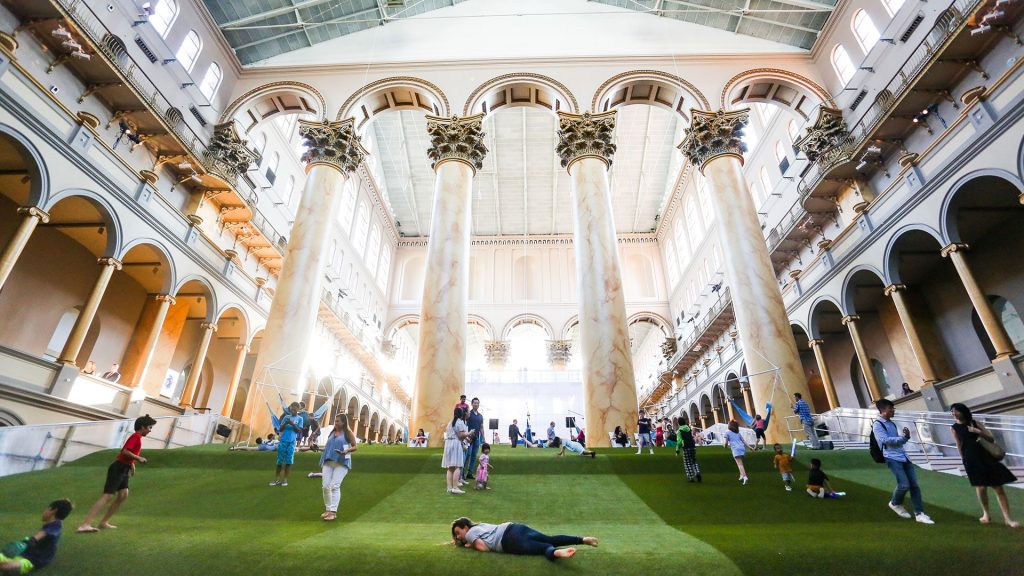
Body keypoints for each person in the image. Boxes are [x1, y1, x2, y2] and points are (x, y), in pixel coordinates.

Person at [77, 414, 156, 533]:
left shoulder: (138, 438)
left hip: (124, 468)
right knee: (107, 496)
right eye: (149, 427)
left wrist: (132, 464)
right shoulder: (135, 436)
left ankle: (104, 522)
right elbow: (124, 451)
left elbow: (128, 454)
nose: (150, 430)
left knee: (123, 494)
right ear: (142, 427)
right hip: (118, 468)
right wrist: (138, 458)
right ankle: (84, 524)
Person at [950, 403, 1019, 528]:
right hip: (971, 459)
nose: (954, 414)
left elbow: (991, 438)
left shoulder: (974, 423)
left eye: (956, 411)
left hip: (986, 456)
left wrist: (977, 431)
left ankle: (1007, 519)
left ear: (963, 411)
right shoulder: (954, 427)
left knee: (998, 488)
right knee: (981, 488)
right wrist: (963, 459)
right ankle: (986, 514)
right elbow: (958, 444)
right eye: (952, 412)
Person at [873, 399, 934, 524]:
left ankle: (919, 513)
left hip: (903, 456)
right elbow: (885, 440)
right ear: (883, 410)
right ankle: (895, 503)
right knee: (904, 484)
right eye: (891, 408)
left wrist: (904, 439)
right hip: (891, 457)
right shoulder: (878, 424)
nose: (893, 410)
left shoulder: (892, 423)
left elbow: (896, 440)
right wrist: (903, 438)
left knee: (914, 485)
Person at [451, 517, 598, 561]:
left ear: (465, 527)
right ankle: (583, 539)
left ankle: (557, 553)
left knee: (543, 548)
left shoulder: (470, 534)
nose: (459, 537)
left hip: (509, 540)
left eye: (458, 532)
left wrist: (470, 545)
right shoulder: (480, 525)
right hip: (515, 528)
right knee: (550, 539)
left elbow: (485, 548)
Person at [0, 499, 73, 574]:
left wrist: (27, 541)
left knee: (4, 566)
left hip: (32, 561)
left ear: (53, 510)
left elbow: (39, 536)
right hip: (24, 554)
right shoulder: (53, 525)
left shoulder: (56, 526)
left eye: (47, 508)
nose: (44, 511)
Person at [319, 413, 357, 521]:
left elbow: (355, 447)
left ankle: (333, 512)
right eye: (335, 421)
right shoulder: (332, 433)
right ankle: (328, 509)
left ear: (344, 422)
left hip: (342, 462)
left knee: (335, 486)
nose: (335, 423)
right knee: (325, 486)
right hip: (328, 461)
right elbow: (327, 448)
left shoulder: (348, 433)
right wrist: (316, 448)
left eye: (338, 421)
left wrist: (345, 451)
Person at [270, 402, 303, 487]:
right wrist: (286, 423)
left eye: (295, 409)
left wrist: (292, 424)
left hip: (292, 442)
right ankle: (276, 479)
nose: (293, 411)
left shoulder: (300, 419)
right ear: (290, 408)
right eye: (292, 409)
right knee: (279, 461)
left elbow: (298, 431)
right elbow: (280, 429)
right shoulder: (286, 417)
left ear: (298, 409)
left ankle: (285, 479)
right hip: (283, 441)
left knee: (289, 461)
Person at [443, 407, 471, 494]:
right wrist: (469, 433)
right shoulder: (459, 422)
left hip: (448, 444)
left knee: (450, 467)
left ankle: (449, 487)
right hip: (455, 443)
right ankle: (455, 487)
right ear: (461, 414)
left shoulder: (450, 422)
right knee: (458, 466)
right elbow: (461, 435)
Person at [724, 420, 752, 485]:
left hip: (735, 449)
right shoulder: (738, 433)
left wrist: (724, 446)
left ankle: (745, 477)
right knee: (740, 463)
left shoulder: (727, 432)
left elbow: (726, 442)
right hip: (742, 448)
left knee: (740, 464)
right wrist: (750, 447)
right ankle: (741, 476)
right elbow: (743, 441)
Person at [462, 398, 484, 481]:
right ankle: (462, 474)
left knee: (474, 456)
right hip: (468, 439)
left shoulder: (480, 416)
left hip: (477, 438)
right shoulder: (469, 414)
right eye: (474, 403)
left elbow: (481, 427)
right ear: (472, 404)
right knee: (467, 455)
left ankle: (469, 473)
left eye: (477, 403)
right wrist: (466, 436)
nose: (476, 404)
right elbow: (464, 424)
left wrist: (484, 438)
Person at [675, 416, 701, 483]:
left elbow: (679, 441)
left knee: (687, 463)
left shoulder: (679, 431)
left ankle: (691, 477)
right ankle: (697, 472)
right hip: (692, 446)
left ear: (678, 423)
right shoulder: (688, 428)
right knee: (694, 461)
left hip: (686, 447)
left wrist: (677, 450)